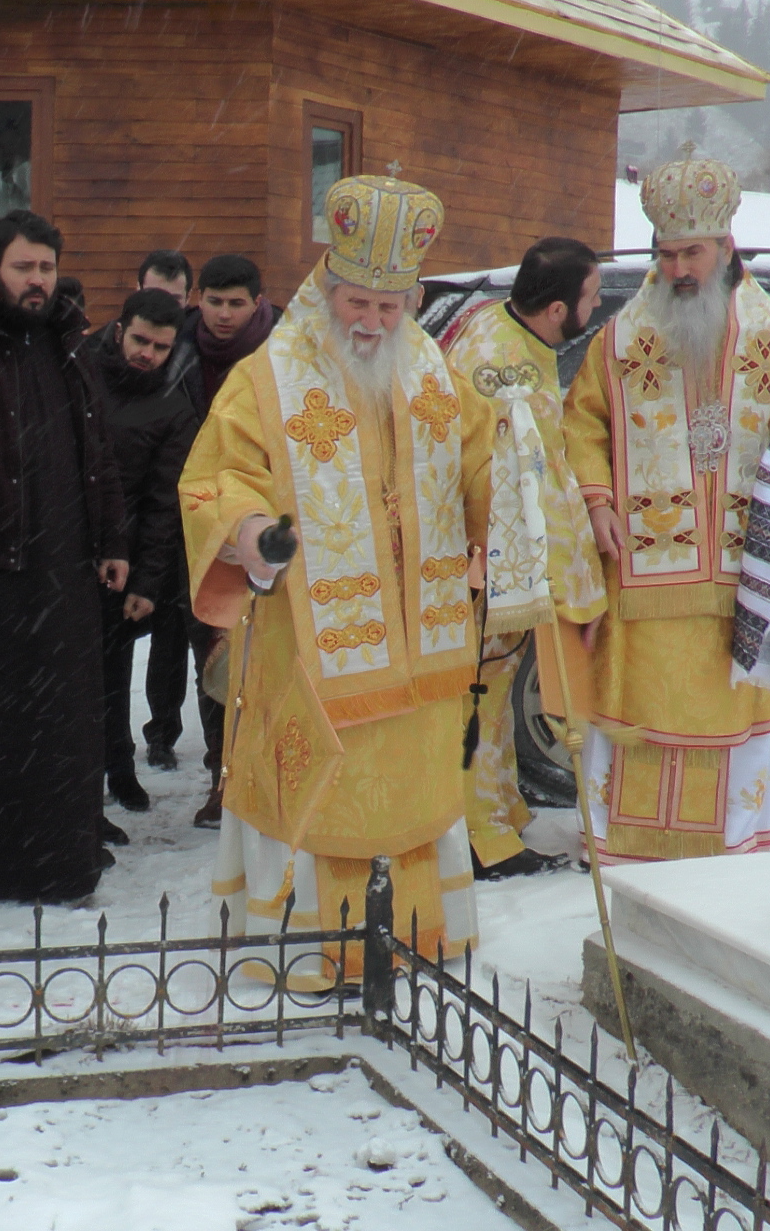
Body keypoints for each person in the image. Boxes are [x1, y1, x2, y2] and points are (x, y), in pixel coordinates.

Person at [181, 172, 500, 988]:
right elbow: (216, 478)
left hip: (420, 652)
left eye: (390, 309)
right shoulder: (266, 377)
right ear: (328, 286)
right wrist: (251, 532)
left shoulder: (431, 369)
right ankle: (313, 952)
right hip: (308, 642)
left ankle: (417, 935)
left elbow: (479, 462)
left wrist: (514, 488)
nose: (373, 324)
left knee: (412, 798)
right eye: (359, 304)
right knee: (323, 799)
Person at [562, 152, 770, 864]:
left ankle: (721, 890)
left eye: (692, 252)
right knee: (643, 741)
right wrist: (596, 502)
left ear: (724, 248)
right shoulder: (619, 340)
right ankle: (637, 880)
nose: (680, 268)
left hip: (738, 594)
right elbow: (582, 424)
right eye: (667, 253)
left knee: (725, 768)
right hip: (643, 595)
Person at [0, 208, 128, 906]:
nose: (37, 281)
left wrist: (111, 539)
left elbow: (98, 449)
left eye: (45, 267)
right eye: (23, 268)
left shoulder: (72, 344)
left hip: (64, 564)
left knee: (62, 723)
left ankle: (60, 862)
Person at [443, 238, 608, 879]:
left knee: (494, 685)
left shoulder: (498, 325)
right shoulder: (502, 373)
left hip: (501, 560)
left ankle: (500, 810)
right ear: (559, 307)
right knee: (478, 691)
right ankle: (481, 840)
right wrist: (577, 578)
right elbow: (526, 483)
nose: (594, 309)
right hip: (493, 561)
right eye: (592, 299)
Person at [149, 254, 281, 825]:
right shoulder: (176, 352)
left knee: (272, 656)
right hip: (195, 524)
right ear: (196, 299)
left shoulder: (282, 356)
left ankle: (273, 772)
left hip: (267, 526)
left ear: (258, 302)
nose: (223, 315)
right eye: (214, 302)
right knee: (212, 651)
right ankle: (221, 776)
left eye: (236, 303)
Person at [76, 288, 200, 812]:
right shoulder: (78, 368)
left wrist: (148, 583)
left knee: (110, 674)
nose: (148, 354)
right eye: (141, 340)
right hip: (57, 543)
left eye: (162, 347)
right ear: (121, 328)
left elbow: (163, 503)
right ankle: (74, 789)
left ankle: (119, 769)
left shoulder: (173, 404)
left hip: (117, 559)